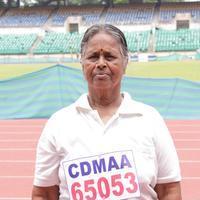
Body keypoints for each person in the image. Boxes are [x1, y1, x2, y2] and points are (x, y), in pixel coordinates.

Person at [32, 24, 182, 200]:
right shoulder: (58, 124)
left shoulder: (150, 119)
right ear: (82, 63)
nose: (101, 64)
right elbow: (44, 193)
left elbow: (169, 189)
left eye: (110, 57)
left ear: (125, 62)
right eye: (93, 57)